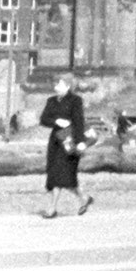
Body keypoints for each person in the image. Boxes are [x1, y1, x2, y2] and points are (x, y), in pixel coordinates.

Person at [39, 75, 92, 218]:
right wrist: (57, 121)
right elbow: (43, 119)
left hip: (71, 140)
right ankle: (84, 198)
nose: (56, 87)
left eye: (59, 85)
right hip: (56, 142)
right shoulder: (51, 101)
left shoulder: (75, 101)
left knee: (59, 174)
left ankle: (52, 209)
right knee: (64, 177)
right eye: (55, 85)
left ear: (68, 86)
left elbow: (79, 121)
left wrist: (81, 142)